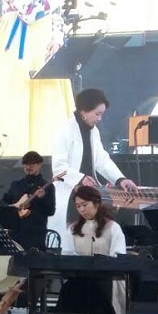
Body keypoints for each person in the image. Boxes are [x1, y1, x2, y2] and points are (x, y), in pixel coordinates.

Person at [0, 0, 75, 158]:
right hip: (26, 38)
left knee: (14, 99)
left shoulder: (45, 20)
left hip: (19, 41)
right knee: (36, 102)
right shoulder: (51, 20)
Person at [48, 88, 137, 236]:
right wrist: (81, 178)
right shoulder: (65, 130)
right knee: (73, 237)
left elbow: (102, 159)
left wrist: (120, 179)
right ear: (84, 111)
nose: (100, 118)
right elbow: (58, 167)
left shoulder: (93, 131)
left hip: (89, 195)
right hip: (70, 195)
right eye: (97, 114)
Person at [54, 186, 126, 314]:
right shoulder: (73, 228)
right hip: (80, 275)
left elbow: (118, 256)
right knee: (68, 289)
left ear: (96, 203)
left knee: (95, 289)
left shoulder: (112, 227)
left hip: (106, 277)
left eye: (85, 205)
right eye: (78, 206)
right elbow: (67, 254)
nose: (81, 209)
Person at [0, 151, 56, 251]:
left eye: (32, 164)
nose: (28, 167)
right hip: (15, 233)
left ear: (39, 164)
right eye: (26, 164)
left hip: (35, 235)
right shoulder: (16, 185)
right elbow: (3, 202)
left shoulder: (47, 186)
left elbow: (50, 211)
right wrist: (12, 207)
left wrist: (43, 198)